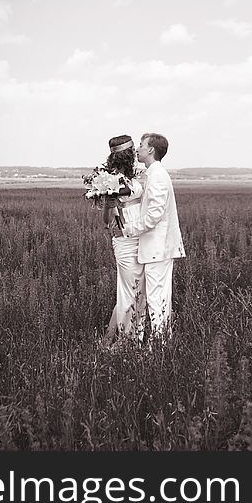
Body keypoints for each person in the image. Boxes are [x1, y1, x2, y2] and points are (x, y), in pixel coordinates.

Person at [122, 132, 185, 339]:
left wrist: (130, 228)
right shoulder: (154, 173)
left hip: (158, 249)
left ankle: (159, 347)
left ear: (151, 149)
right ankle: (160, 344)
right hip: (158, 249)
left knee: (157, 300)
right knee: (159, 298)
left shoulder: (157, 176)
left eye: (141, 145)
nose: (137, 149)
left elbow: (154, 215)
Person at [101, 135, 147, 345]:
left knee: (134, 291)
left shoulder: (140, 174)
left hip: (144, 239)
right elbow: (106, 221)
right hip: (125, 240)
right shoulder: (108, 180)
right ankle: (126, 340)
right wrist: (109, 202)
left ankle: (110, 337)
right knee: (129, 291)